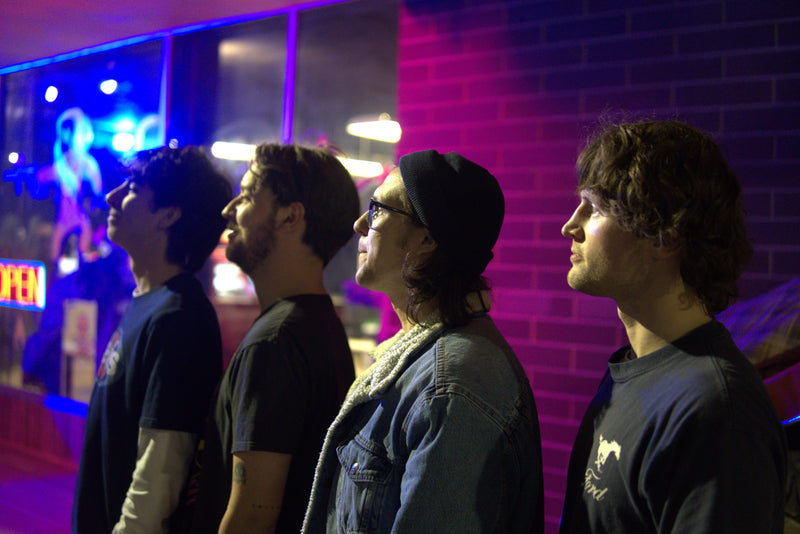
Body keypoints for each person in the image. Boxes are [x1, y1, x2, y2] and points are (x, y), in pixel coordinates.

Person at [558, 120, 787, 533]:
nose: (570, 227)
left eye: (594, 208)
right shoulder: (634, 369)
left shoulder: (717, 411)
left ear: (664, 236)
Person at [302, 149, 544, 533]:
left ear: (426, 238)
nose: (359, 224)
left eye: (377, 209)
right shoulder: (422, 357)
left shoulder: (455, 384)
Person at [176, 143, 359, 534]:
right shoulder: (320, 325)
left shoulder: (275, 343)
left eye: (246, 196)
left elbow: (252, 517)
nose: (229, 210)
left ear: (290, 216)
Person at [72, 146, 232, 534]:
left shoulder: (179, 316)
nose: (112, 197)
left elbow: (160, 470)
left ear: (169, 214)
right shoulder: (151, 302)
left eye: (131, 188)